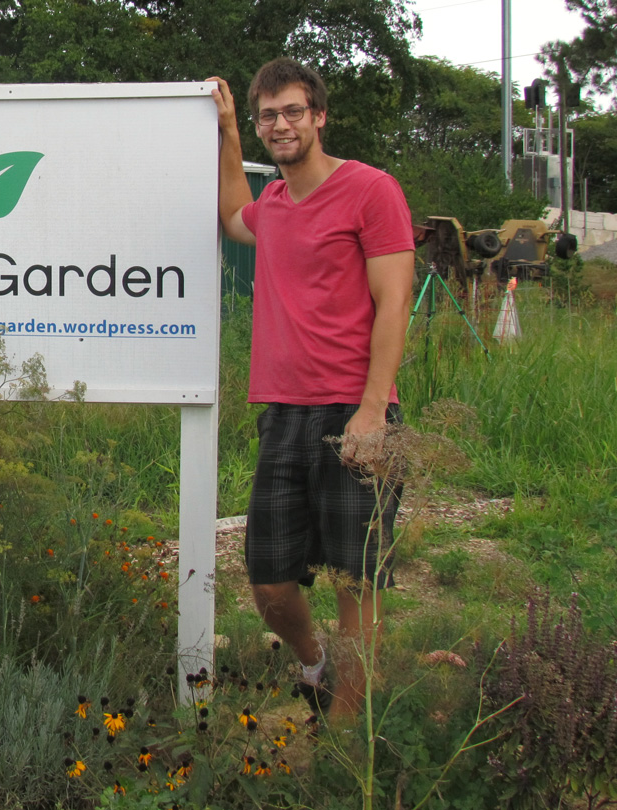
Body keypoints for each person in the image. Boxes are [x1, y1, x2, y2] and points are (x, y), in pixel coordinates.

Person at [210, 59, 414, 720]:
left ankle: (348, 734)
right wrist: (230, 132)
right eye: (269, 114)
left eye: (292, 111)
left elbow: (394, 302)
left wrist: (373, 411)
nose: (282, 124)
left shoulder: (371, 191)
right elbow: (235, 215)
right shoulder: (274, 206)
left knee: (355, 581)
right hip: (284, 415)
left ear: (319, 115)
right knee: (269, 581)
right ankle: (315, 665)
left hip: (353, 413)